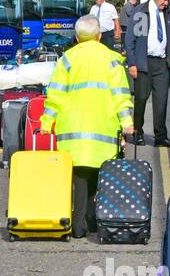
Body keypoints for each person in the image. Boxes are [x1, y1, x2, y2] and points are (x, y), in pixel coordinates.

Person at [37, 14, 134, 239]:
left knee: (79, 176)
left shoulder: (67, 60)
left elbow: (55, 96)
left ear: (78, 38)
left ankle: (78, 224)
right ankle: (94, 220)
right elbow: (121, 95)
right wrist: (127, 123)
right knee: (99, 175)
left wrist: (46, 123)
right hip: (103, 128)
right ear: (100, 36)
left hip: (72, 130)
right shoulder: (111, 59)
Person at [126, 0, 170, 146]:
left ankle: (160, 137)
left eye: (168, 0)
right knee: (141, 99)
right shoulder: (142, 12)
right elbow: (131, 40)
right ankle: (138, 132)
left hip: (161, 63)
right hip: (144, 62)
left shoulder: (168, 14)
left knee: (161, 101)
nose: (167, 3)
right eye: (165, 0)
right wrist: (132, 63)